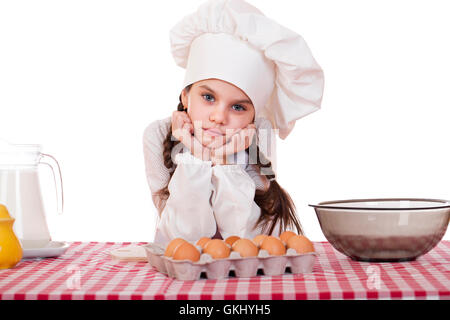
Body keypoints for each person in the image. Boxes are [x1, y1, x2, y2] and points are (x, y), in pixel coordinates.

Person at [143, 0, 324, 245]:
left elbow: (248, 237)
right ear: (185, 96)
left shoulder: (260, 133)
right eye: (208, 97)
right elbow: (183, 238)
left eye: (238, 107)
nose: (219, 117)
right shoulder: (159, 134)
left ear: (253, 116)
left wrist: (225, 158)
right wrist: (196, 155)